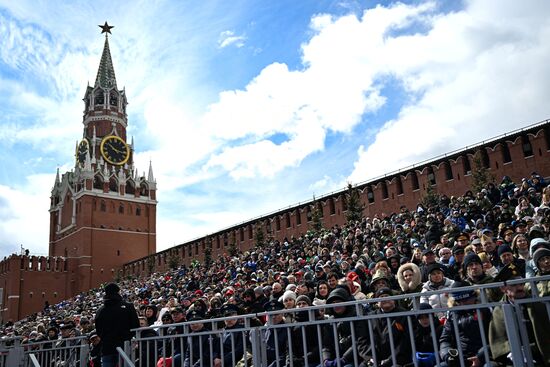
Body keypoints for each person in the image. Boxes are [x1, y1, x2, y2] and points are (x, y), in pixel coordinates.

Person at [489, 264, 550, 366]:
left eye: (521, 284)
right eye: (514, 285)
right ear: (503, 288)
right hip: (513, 359)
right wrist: (512, 351)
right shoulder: (499, 311)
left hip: (539, 355)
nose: (520, 287)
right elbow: (499, 342)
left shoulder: (537, 304)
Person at [439, 281, 491, 367]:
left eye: (466, 300)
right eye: (459, 301)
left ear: (474, 296)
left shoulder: (486, 310)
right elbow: (445, 339)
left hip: (485, 356)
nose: (463, 303)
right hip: (461, 358)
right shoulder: (452, 314)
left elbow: (496, 338)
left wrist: (481, 356)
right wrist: (449, 356)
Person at [321, 287, 370, 367]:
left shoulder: (357, 317)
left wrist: (344, 358)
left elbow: (359, 341)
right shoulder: (330, 322)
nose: (336, 305)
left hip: (354, 359)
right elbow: (326, 345)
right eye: (333, 303)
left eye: (339, 302)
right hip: (335, 359)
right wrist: (326, 360)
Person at [95, 283, 140, 367]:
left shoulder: (100, 311)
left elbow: (98, 330)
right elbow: (135, 325)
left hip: (107, 347)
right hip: (124, 345)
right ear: (118, 292)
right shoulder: (128, 306)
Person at [366, 287, 412, 367]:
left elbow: (406, 341)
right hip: (376, 359)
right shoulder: (370, 317)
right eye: (381, 297)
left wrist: (391, 359)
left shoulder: (404, 314)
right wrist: (370, 357)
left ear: (393, 299)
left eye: (387, 296)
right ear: (377, 302)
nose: (385, 299)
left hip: (399, 358)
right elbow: (364, 340)